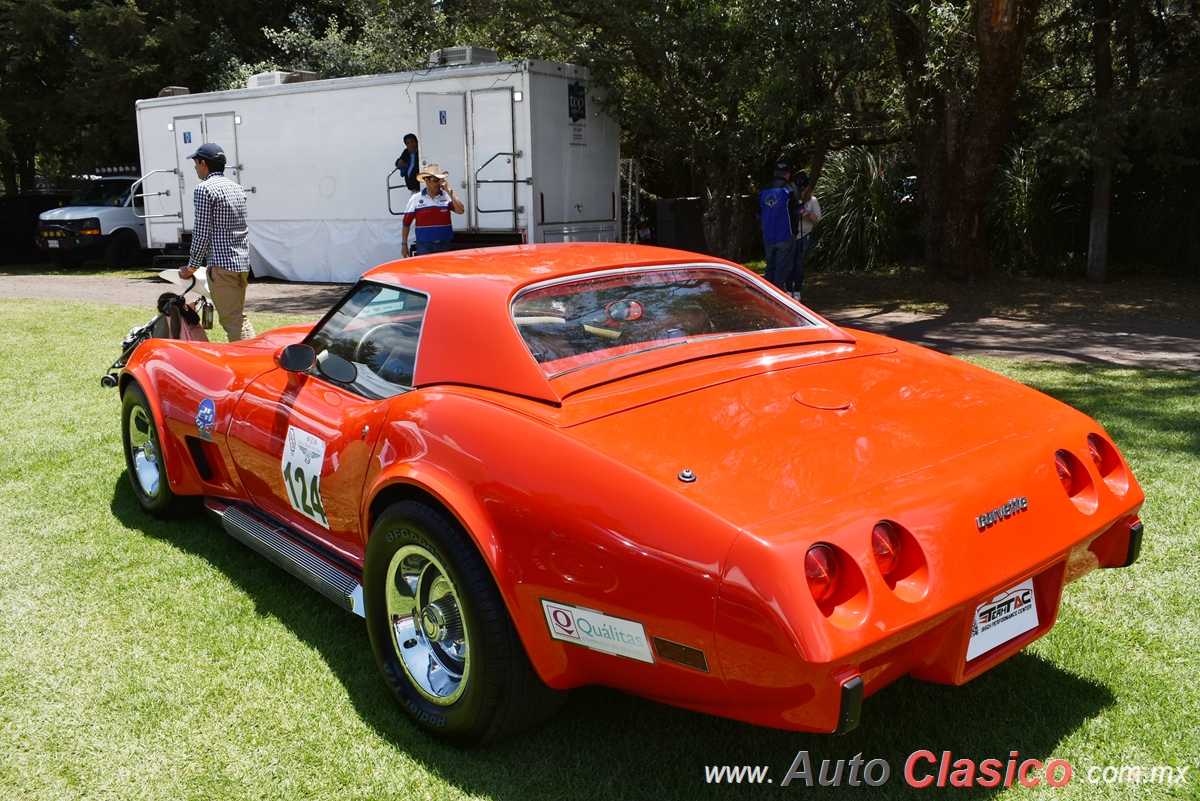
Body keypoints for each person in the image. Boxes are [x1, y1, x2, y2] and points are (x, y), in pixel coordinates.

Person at [178, 142, 254, 342]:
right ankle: (251, 359)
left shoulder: (204, 189)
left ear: (203, 164)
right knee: (238, 318)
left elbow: (202, 233)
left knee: (233, 322)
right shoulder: (237, 188)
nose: (195, 168)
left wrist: (191, 267)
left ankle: (248, 365)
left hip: (221, 267)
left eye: (195, 163)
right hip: (241, 264)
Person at [400, 164, 465, 257]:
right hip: (424, 244)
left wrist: (449, 191)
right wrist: (404, 245)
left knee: (442, 271)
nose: (438, 183)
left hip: (443, 243)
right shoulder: (416, 198)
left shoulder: (446, 196)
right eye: (435, 180)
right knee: (426, 271)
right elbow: (406, 223)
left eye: (440, 179)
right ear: (426, 180)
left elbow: (461, 210)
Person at [758, 162, 801, 289]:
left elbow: (758, 214)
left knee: (770, 269)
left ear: (774, 173)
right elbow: (800, 209)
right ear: (788, 174)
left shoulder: (763, 189)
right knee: (782, 270)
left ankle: (767, 294)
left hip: (769, 235)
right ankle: (776, 299)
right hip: (785, 234)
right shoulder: (789, 187)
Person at [787, 174, 821, 301]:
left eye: (803, 189)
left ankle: (797, 292)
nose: (801, 192)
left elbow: (817, 217)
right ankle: (789, 291)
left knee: (799, 264)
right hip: (791, 235)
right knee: (789, 264)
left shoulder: (812, 201)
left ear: (807, 188)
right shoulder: (792, 198)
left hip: (805, 235)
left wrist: (807, 213)